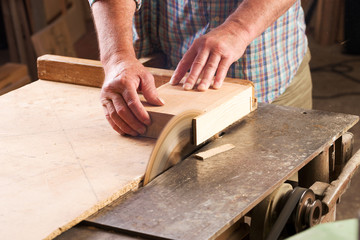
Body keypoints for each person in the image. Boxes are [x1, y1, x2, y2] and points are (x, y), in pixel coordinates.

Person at [89, 0, 312, 136]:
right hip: (168, 52)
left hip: (267, 68)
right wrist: (117, 56)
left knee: (287, 197)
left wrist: (239, 28)